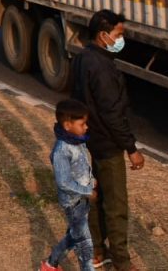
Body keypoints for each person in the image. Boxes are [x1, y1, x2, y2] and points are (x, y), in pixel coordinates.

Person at [72, 9, 145, 271]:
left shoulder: (83, 58)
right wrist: (131, 148)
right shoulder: (102, 68)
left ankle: (97, 252)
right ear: (104, 35)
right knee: (116, 205)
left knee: (96, 199)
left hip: (91, 140)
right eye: (118, 34)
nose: (120, 39)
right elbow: (113, 113)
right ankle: (122, 263)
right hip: (108, 145)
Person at [41, 98, 97, 271]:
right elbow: (64, 182)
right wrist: (88, 190)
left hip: (81, 201)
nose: (86, 127)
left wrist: (91, 181)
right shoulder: (61, 151)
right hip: (73, 203)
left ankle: (50, 264)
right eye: (82, 124)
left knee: (74, 235)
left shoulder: (77, 141)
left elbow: (81, 167)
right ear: (67, 125)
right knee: (85, 246)